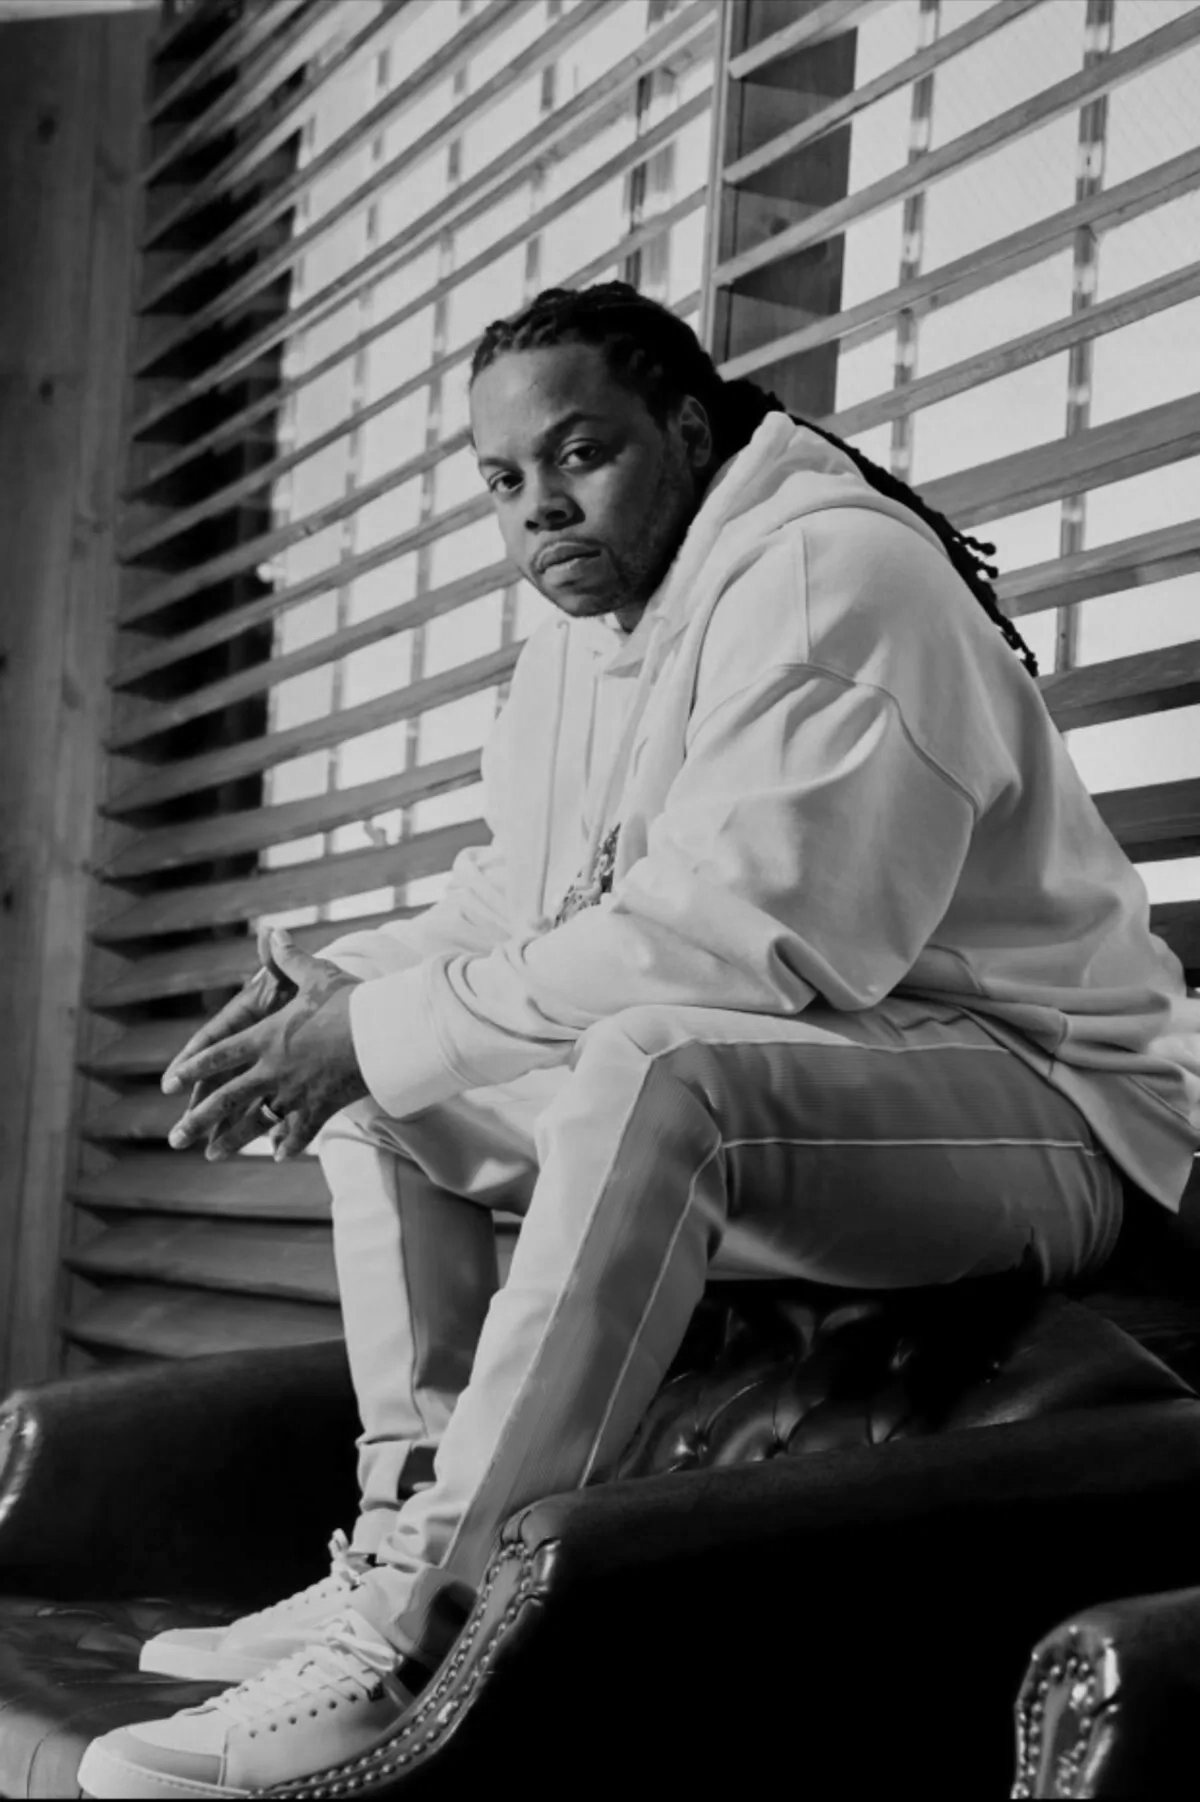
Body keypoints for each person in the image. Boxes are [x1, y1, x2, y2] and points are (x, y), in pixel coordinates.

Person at [79, 282, 1200, 1799]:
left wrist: (384, 1025)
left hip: (1056, 1109)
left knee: (659, 1063)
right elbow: (515, 900)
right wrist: (330, 1002)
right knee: (387, 1100)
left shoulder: (832, 575)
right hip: (849, 1077)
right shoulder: (590, 635)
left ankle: (429, 1633)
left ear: (686, 425)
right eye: (501, 480)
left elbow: (757, 940)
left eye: (580, 452)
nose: (539, 504)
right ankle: (395, 1548)